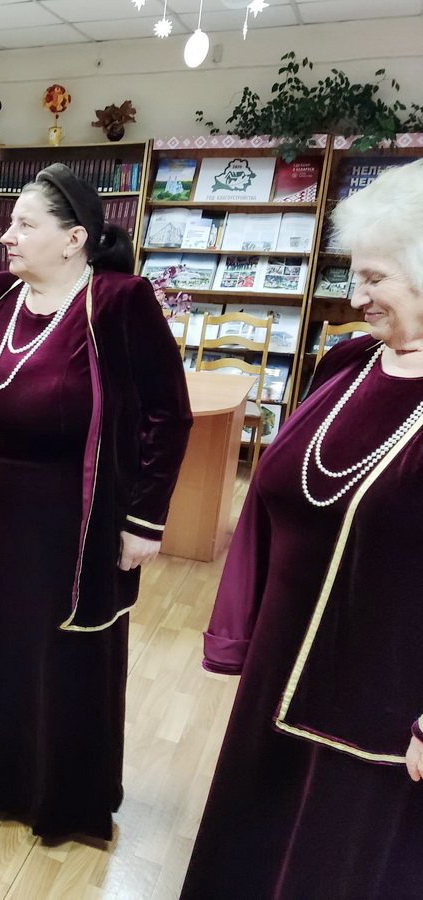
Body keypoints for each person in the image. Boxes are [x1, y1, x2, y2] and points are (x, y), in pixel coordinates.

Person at [0, 163, 192, 841]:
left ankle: (58, 796)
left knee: (58, 656)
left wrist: (144, 520)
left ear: (74, 239)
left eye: (25, 224)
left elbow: (167, 413)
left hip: (72, 520)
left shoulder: (119, 301)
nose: (6, 236)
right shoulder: (0, 293)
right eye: (9, 223)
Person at [182, 159, 423, 897]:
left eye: (375, 278)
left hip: (379, 703)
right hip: (279, 669)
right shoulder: (348, 362)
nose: (355, 297)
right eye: (355, 274)